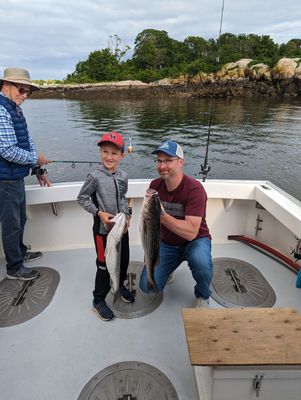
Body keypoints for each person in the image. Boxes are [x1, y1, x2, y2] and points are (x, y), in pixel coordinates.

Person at [139, 140, 213, 307]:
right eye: (159, 160)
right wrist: (149, 249)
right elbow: (150, 226)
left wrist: (160, 215)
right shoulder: (155, 185)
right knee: (147, 286)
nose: (162, 166)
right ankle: (168, 269)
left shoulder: (195, 189)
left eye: (168, 160)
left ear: (180, 162)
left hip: (195, 241)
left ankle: (203, 295)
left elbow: (191, 232)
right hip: (167, 243)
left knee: (201, 261)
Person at [0, 67, 51, 281]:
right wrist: (35, 159)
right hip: (5, 180)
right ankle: (14, 266)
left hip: (15, 177)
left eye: (28, 92)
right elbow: (7, 149)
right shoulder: (1, 111)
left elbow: (27, 141)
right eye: (21, 89)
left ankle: (19, 253)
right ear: (6, 86)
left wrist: (38, 169)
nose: (24, 95)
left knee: (20, 219)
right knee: (12, 223)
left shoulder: (15, 109)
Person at [77, 131, 134, 321]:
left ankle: (120, 284)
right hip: (103, 232)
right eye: (105, 152)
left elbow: (123, 199)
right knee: (103, 265)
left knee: (124, 259)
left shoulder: (123, 176)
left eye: (114, 153)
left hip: (121, 229)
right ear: (100, 152)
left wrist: (128, 215)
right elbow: (82, 198)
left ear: (122, 156)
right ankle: (98, 299)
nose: (109, 157)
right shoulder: (94, 176)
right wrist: (99, 213)